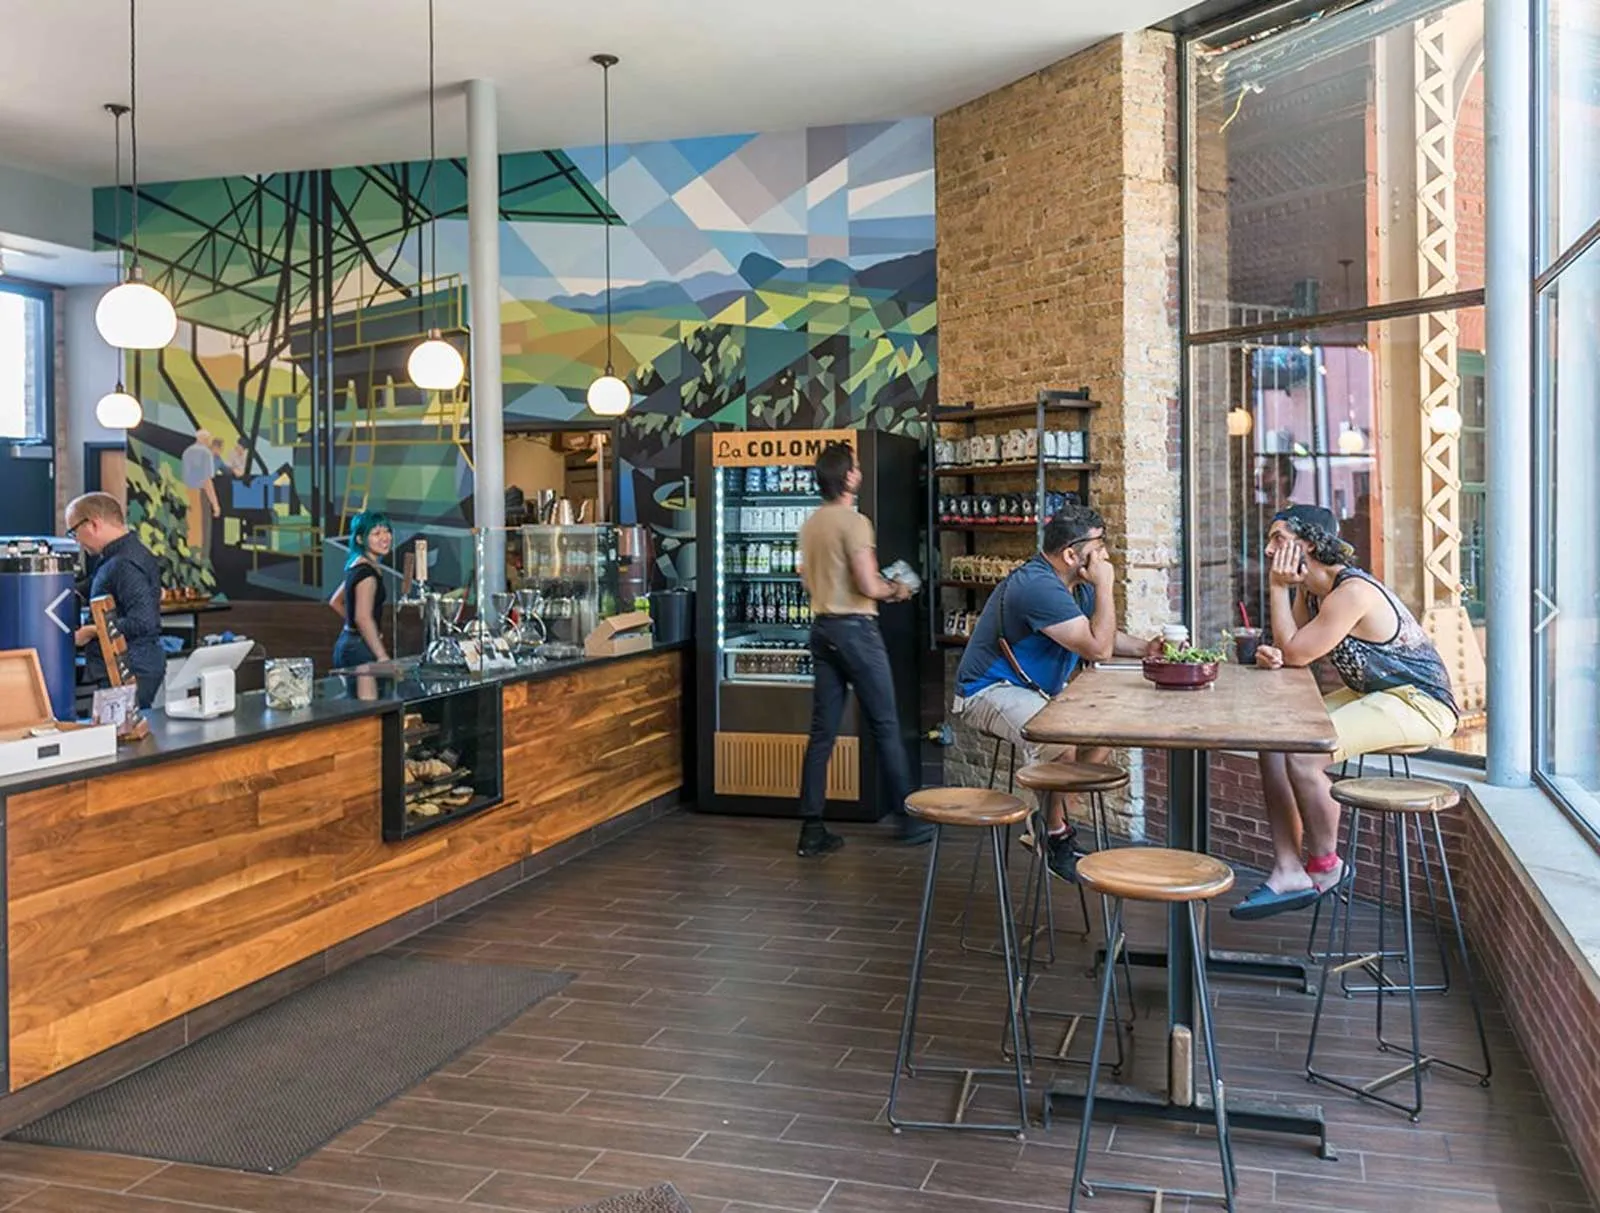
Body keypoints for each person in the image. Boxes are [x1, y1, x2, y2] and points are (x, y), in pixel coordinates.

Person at [1233, 504, 1459, 919]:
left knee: (1303, 752)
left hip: (1420, 703)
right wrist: (1273, 654)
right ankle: (1287, 869)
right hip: (1374, 694)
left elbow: (1297, 653)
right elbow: (1291, 650)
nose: (1268, 550)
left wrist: (1277, 592)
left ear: (1310, 544)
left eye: (1278, 539)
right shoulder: (1313, 592)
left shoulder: (1351, 593)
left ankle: (1326, 866)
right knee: (1272, 740)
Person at [953, 505, 1157, 881]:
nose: (1105, 556)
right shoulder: (1038, 586)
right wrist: (1106, 585)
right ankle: (1054, 833)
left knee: (1105, 732)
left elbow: (1098, 635)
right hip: (987, 689)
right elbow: (1098, 649)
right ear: (1070, 554)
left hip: (1031, 691)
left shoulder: (1072, 587)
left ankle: (1045, 819)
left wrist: (1149, 649)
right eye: (1099, 548)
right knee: (1060, 741)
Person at [796, 443, 930, 857]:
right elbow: (869, 586)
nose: (859, 471)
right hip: (856, 630)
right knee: (886, 725)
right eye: (855, 467)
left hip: (822, 630)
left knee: (822, 732)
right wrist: (898, 589)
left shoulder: (811, 524)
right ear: (848, 477)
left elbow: (806, 580)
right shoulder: (855, 524)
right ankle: (909, 820)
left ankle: (812, 828)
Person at [65, 493, 165, 709]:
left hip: (130, 668)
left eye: (74, 532)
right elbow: (96, 584)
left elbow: (142, 622)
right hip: (127, 665)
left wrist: (92, 631)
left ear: (93, 524)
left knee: (121, 739)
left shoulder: (123, 563)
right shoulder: (117, 557)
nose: (77, 542)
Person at [328, 510, 394, 669]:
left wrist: (359, 628)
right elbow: (362, 618)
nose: (385, 537)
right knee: (367, 695)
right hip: (358, 650)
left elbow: (335, 602)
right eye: (376, 533)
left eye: (387, 531)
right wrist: (382, 656)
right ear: (360, 539)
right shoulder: (366, 574)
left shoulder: (358, 564)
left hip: (348, 643)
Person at [181, 429, 221, 553]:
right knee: (202, 532)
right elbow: (207, 481)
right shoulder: (206, 453)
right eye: (208, 439)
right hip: (201, 495)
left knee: (190, 529)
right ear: (204, 439)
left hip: (187, 493)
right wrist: (215, 504)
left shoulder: (187, 452)